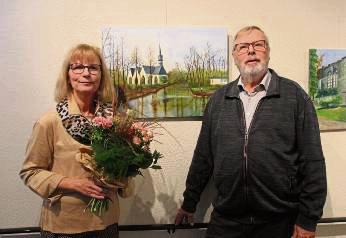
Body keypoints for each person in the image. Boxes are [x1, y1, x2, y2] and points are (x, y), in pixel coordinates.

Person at [175, 26, 327, 238]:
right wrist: (189, 202)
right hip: (226, 221)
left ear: (268, 51)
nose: (251, 51)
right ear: (235, 56)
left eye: (258, 44)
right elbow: (203, 157)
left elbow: (313, 161)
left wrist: (308, 220)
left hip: (280, 222)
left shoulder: (294, 97)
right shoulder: (218, 100)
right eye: (243, 46)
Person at [20, 44, 134, 238]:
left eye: (93, 67)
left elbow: (126, 169)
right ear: (68, 75)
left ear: (101, 75)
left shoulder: (115, 120)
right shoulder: (49, 122)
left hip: (106, 223)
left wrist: (119, 177)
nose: (86, 73)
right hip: (65, 226)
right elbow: (30, 172)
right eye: (78, 67)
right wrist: (72, 183)